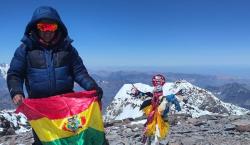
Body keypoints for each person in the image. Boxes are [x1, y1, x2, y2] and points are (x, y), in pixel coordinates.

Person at [7, 6, 104, 145]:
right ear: (35, 27)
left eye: (51, 26)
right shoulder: (25, 49)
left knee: (70, 138)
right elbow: (14, 74)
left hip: (66, 105)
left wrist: (93, 87)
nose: (47, 31)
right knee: (44, 140)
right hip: (40, 107)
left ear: (58, 27)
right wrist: (16, 91)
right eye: (43, 26)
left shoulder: (67, 49)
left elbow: (79, 72)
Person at [130, 74, 181, 145]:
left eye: (159, 92)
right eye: (156, 92)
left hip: (159, 120)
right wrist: (138, 93)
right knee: (156, 137)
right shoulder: (156, 97)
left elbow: (162, 110)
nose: (157, 94)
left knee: (159, 137)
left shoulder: (165, 98)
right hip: (156, 120)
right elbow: (145, 95)